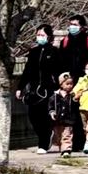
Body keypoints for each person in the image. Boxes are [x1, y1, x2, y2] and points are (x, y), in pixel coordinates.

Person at [17, 25, 61, 153]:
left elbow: (59, 71)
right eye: (38, 35)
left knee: (45, 116)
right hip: (34, 90)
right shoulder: (34, 52)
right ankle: (46, 136)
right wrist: (20, 87)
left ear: (49, 36)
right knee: (33, 116)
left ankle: (43, 143)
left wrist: (58, 87)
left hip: (49, 89)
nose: (39, 37)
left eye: (42, 35)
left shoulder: (54, 52)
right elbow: (27, 71)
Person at [60, 15, 88, 153]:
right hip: (70, 82)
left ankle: (86, 142)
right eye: (70, 24)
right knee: (71, 113)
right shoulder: (65, 41)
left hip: (85, 84)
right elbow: (61, 61)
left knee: (84, 114)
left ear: (82, 27)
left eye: (75, 24)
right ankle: (72, 143)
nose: (72, 27)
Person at [49, 73, 78, 157]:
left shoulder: (72, 95)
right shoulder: (55, 96)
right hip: (57, 120)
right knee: (58, 136)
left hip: (68, 120)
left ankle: (66, 150)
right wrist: (52, 112)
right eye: (67, 84)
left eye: (71, 84)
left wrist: (75, 99)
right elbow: (51, 106)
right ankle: (58, 144)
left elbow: (75, 106)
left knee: (67, 135)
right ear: (61, 84)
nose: (70, 86)